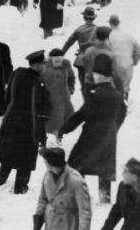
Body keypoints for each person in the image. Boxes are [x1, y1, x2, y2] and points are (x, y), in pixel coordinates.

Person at [58, 54, 128, 205]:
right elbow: (122, 114)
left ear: (101, 76)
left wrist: (63, 129)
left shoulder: (95, 95)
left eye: (95, 74)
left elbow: (81, 115)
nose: (94, 77)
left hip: (91, 136)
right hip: (109, 136)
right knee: (105, 168)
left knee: (76, 163)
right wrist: (113, 129)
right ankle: (105, 198)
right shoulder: (118, 96)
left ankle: (80, 196)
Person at [0, 50, 49, 195]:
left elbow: (7, 97)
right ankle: (20, 187)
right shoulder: (37, 83)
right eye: (43, 64)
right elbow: (39, 109)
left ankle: (1, 180)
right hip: (28, 124)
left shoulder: (17, 74)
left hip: (11, 119)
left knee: (8, 151)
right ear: (36, 65)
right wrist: (41, 135)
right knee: (26, 157)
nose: (44, 67)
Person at [33, 147, 91, 230]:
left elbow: (84, 212)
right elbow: (42, 199)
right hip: (51, 223)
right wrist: (37, 223)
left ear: (50, 164)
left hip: (69, 224)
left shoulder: (76, 181)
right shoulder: (47, 176)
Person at [61, 7, 100, 86]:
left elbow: (68, 43)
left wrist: (61, 53)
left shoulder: (79, 29)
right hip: (95, 59)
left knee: (83, 84)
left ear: (84, 17)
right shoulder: (99, 30)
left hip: (81, 60)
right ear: (94, 18)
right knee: (95, 83)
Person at [81, 27, 124, 98]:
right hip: (105, 87)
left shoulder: (88, 51)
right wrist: (121, 90)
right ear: (108, 38)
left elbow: (86, 68)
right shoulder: (110, 54)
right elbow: (115, 74)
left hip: (89, 85)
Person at [42, 48, 75, 137]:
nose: (59, 62)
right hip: (51, 100)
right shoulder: (43, 67)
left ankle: (60, 135)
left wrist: (71, 89)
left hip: (65, 99)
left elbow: (71, 77)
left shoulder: (66, 64)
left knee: (66, 121)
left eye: (60, 60)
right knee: (51, 123)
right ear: (50, 59)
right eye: (56, 60)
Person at [101, 158, 140, 230]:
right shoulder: (123, 187)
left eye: (125, 171)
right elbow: (116, 211)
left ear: (134, 177)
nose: (122, 174)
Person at [108, 14, 140, 101]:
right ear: (118, 24)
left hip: (115, 67)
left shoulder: (109, 37)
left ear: (110, 24)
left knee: (116, 88)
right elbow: (138, 49)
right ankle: (125, 105)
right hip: (128, 66)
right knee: (125, 88)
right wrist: (134, 61)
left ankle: (118, 109)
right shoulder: (128, 36)